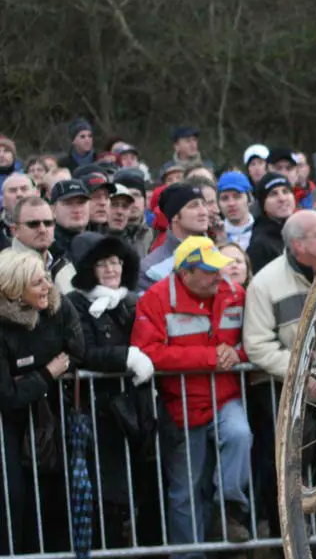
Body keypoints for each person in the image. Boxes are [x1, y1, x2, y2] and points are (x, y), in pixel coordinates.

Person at [131, 236, 252, 554]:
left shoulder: (235, 293)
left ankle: (228, 510)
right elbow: (148, 353)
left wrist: (237, 355)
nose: (218, 276)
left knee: (240, 435)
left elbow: (250, 340)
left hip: (225, 396)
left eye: (219, 269)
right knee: (186, 490)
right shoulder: (155, 299)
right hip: (180, 405)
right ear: (185, 273)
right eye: (210, 271)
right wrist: (211, 357)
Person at [242, 210, 316, 536]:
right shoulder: (265, 283)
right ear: (298, 245)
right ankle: (287, 538)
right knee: (285, 468)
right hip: (281, 388)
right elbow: (257, 345)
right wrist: (300, 375)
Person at [66, 232, 159, 548]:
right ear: (90, 268)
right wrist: (127, 357)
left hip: (138, 406)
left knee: (146, 483)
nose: (110, 269)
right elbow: (82, 352)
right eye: (102, 263)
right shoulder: (75, 303)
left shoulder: (133, 300)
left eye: (116, 262)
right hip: (101, 410)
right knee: (108, 490)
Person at [0, 250, 84, 554]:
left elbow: (76, 351)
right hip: (9, 425)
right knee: (14, 499)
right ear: (13, 288)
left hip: (47, 416)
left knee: (53, 498)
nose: (47, 286)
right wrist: (47, 372)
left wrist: (29, 377)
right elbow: (8, 396)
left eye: (46, 278)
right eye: (37, 282)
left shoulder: (58, 308)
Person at [139, 183, 209, 292]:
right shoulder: (151, 267)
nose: (203, 212)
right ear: (175, 216)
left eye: (204, 204)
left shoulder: (219, 252)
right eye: (193, 206)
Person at [247, 173, 296, 274]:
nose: (282, 198)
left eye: (285, 191)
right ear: (263, 204)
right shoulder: (260, 245)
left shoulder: (300, 231)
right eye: (273, 194)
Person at [50, 178, 92, 260]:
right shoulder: (48, 248)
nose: (77, 210)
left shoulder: (98, 242)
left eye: (81, 203)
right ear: (53, 210)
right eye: (68, 203)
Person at [218, 172, 255, 249]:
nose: (231, 203)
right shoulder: (213, 238)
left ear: (249, 199)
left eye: (237, 196)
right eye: (225, 198)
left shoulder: (262, 231)